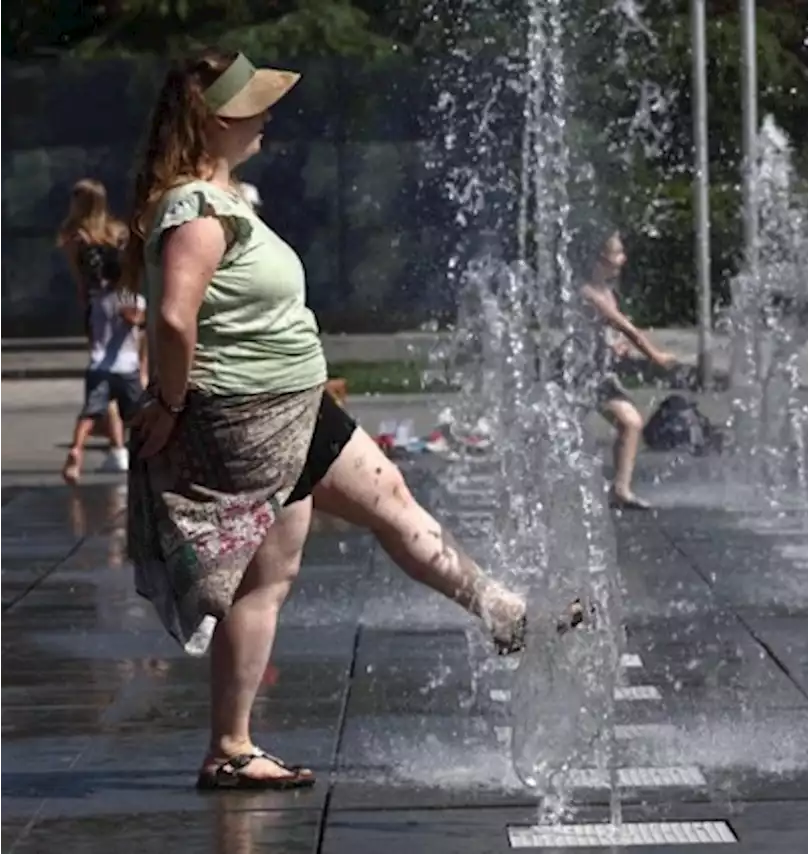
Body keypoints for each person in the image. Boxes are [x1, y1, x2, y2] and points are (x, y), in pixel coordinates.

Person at [122, 48, 581, 792]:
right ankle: (230, 747)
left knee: (386, 503)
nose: (268, 119)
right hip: (249, 417)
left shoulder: (226, 198)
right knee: (268, 578)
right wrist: (171, 405)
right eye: (254, 108)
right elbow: (174, 320)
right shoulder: (196, 210)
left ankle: (499, 611)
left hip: (292, 406)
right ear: (215, 121)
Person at [572, 229, 677, 509]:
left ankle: (620, 490)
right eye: (617, 253)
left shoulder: (607, 292)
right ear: (600, 258)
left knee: (630, 423)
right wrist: (654, 355)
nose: (623, 258)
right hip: (576, 375)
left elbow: (612, 334)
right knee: (561, 433)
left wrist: (616, 346)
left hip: (598, 374)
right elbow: (625, 327)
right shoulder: (588, 293)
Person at [57, 179, 132, 465]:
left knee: (103, 371)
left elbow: (80, 280)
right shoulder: (117, 232)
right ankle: (126, 443)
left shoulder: (74, 236)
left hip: (98, 306)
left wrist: (85, 308)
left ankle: (116, 448)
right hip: (125, 304)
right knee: (131, 369)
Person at [60, 267, 148, 484]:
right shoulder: (133, 299)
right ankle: (144, 457)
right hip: (126, 367)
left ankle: (77, 449)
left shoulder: (96, 300)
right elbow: (138, 320)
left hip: (98, 366)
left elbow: (90, 331)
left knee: (90, 412)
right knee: (138, 416)